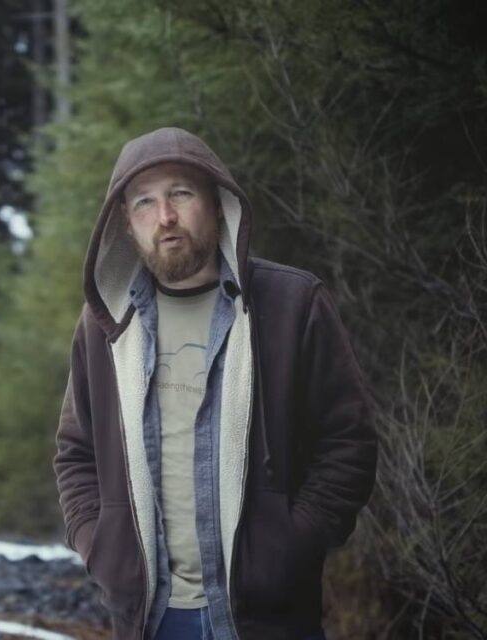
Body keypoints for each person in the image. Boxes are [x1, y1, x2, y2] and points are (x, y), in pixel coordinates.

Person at [53, 127, 377, 640]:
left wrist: (292, 545)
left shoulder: (293, 304)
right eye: (145, 202)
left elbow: (348, 443)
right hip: (150, 617)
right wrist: (99, 544)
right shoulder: (106, 325)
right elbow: (75, 451)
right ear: (125, 224)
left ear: (217, 200)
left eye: (181, 193)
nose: (166, 217)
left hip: (266, 613)